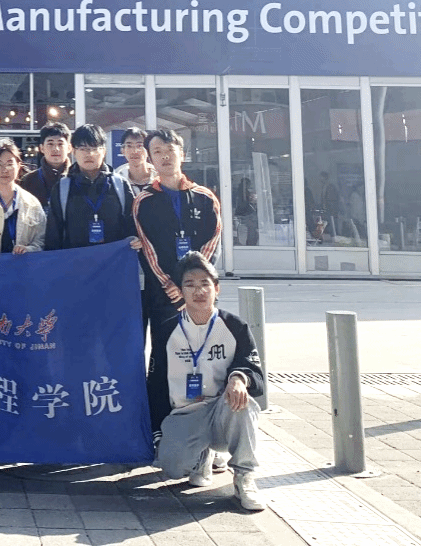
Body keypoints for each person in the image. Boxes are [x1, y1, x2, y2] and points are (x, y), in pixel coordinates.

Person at [154, 251, 266, 512]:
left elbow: (257, 377)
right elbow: (155, 384)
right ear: (180, 292)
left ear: (217, 288)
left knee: (243, 402)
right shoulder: (167, 330)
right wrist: (157, 432)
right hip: (184, 413)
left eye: (205, 284)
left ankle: (245, 476)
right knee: (171, 467)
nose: (199, 291)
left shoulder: (235, 326)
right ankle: (202, 456)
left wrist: (239, 378)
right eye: (190, 284)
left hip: (222, 411)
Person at [133, 127, 223, 437]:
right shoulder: (144, 201)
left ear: (182, 154)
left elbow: (212, 242)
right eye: (157, 152)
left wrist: (192, 287)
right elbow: (147, 249)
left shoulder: (205, 197)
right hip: (163, 297)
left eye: (170, 151)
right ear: (150, 158)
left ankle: (205, 428)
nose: (164, 157)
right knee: (162, 357)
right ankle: (158, 426)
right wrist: (171, 286)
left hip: (198, 297)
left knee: (202, 359)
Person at [44, 123, 140, 253]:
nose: (89, 154)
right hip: (76, 260)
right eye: (83, 148)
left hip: (113, 260)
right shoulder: (62, 187)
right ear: (74, 151)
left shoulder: (120, 184)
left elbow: (133, 223)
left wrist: (135, 239)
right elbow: (53, 235)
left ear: (104, 151)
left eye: (94, 148)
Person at [20, 122, 72, 211]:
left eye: (60, 144)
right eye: (50, 144)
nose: (56, 149)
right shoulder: (28, 181)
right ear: (41, 148)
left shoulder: (78, 178)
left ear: (69, 148)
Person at [113, 127, 156, 196]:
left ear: (148, 150)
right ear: (122, 150)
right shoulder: (117, 179)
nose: (134, 151)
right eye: (129, 146)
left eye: (139, 146)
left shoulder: (159, 177)